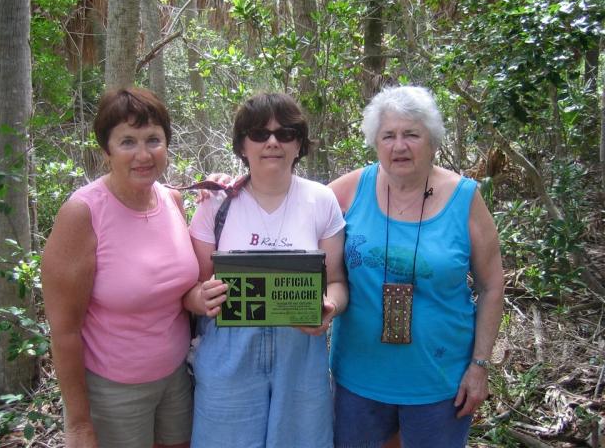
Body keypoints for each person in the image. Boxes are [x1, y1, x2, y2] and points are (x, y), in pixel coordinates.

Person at [329, 86, 504, 448]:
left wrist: (480, 367)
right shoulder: (349, 190)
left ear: (432, 141)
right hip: (359, 380)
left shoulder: (464, 197)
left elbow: (492, 285)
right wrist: (233, 188)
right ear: (375, 142)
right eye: (388, 135)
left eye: (411, 134)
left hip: (440, 382)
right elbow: (291, 209)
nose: (399, 146)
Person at [186, 92, 348, 448]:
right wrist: (201, 298)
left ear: (299, 143)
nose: (272, 141)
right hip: (229, 352)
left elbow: (337, 282)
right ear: (243, 145)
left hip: (300, 351)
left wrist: (329, 308)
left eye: (285, 133)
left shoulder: (321, 200)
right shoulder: (216, 204)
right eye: (259, 133)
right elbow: (189, 289)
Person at [42, 87, 198, 448]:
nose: (143, 154)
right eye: (127, 141)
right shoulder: (83, 213)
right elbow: (64, 331)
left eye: (153, 140)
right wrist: (79, 424)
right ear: (106, 151)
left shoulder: (172, 199)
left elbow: (176, 286)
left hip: (177, 379)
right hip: (114, 391)